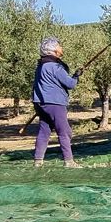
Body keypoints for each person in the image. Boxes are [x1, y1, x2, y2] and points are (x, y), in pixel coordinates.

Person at [32, 37, 84, 168]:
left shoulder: (41, 66)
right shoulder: (55, 67)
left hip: (40, 103)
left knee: (44, 131)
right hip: (55, 103)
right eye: (59, 46)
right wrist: (76, 75)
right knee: (64, 131)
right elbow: (70, 84)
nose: (62, 48)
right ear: (53, 50)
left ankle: (38, 161)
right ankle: (69, 161)